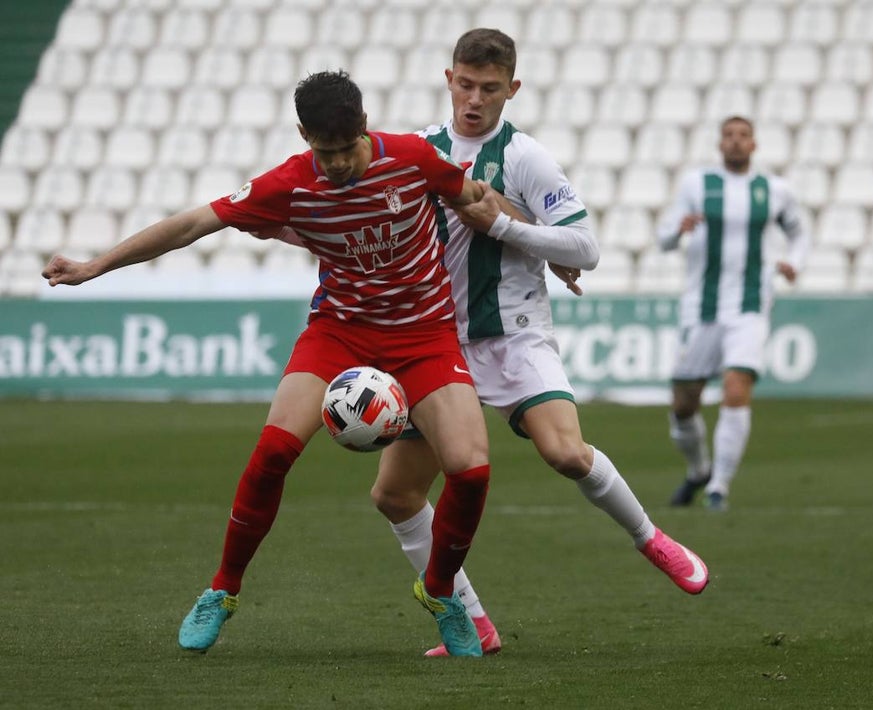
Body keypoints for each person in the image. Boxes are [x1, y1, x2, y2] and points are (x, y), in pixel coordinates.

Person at [42, 70, 496, 656]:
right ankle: (222, 590)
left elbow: (474, 201)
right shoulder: (289, 182)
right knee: (275, 448)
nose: (333, 164)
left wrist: (540, 243)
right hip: (341, 333)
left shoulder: (412, 158)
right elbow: (191, 224)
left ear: (363, 126)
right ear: (304, 135)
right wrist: (96, 266)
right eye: (321, 151)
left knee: (472, 469)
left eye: (343, 150)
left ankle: (439, 591)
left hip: (424, 334)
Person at [369, 28, 711, 656]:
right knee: (395, 494)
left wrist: (503, 221)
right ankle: (471, 621)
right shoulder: (417, 152)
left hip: (514, 334)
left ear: (513, 89)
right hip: (437, 343)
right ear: (448, 79)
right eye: (465, 85)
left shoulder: (524, 157)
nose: (474, 99)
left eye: (489, 89)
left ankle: (651, 538)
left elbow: (585, 247)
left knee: (567, 453)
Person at [656, 116, 809, 512]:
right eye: (729, 136)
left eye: (743, 136)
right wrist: (679, 229)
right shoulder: (697, 184)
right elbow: (664, 238)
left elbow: (799, 232)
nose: (736, 142)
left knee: (736, 387)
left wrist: (794, 261)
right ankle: (699, 470)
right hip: (701, 308)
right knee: (684, 403)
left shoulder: (774, 190)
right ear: (720, 143)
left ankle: (719, 487)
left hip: (750, 306)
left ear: (754, 144)